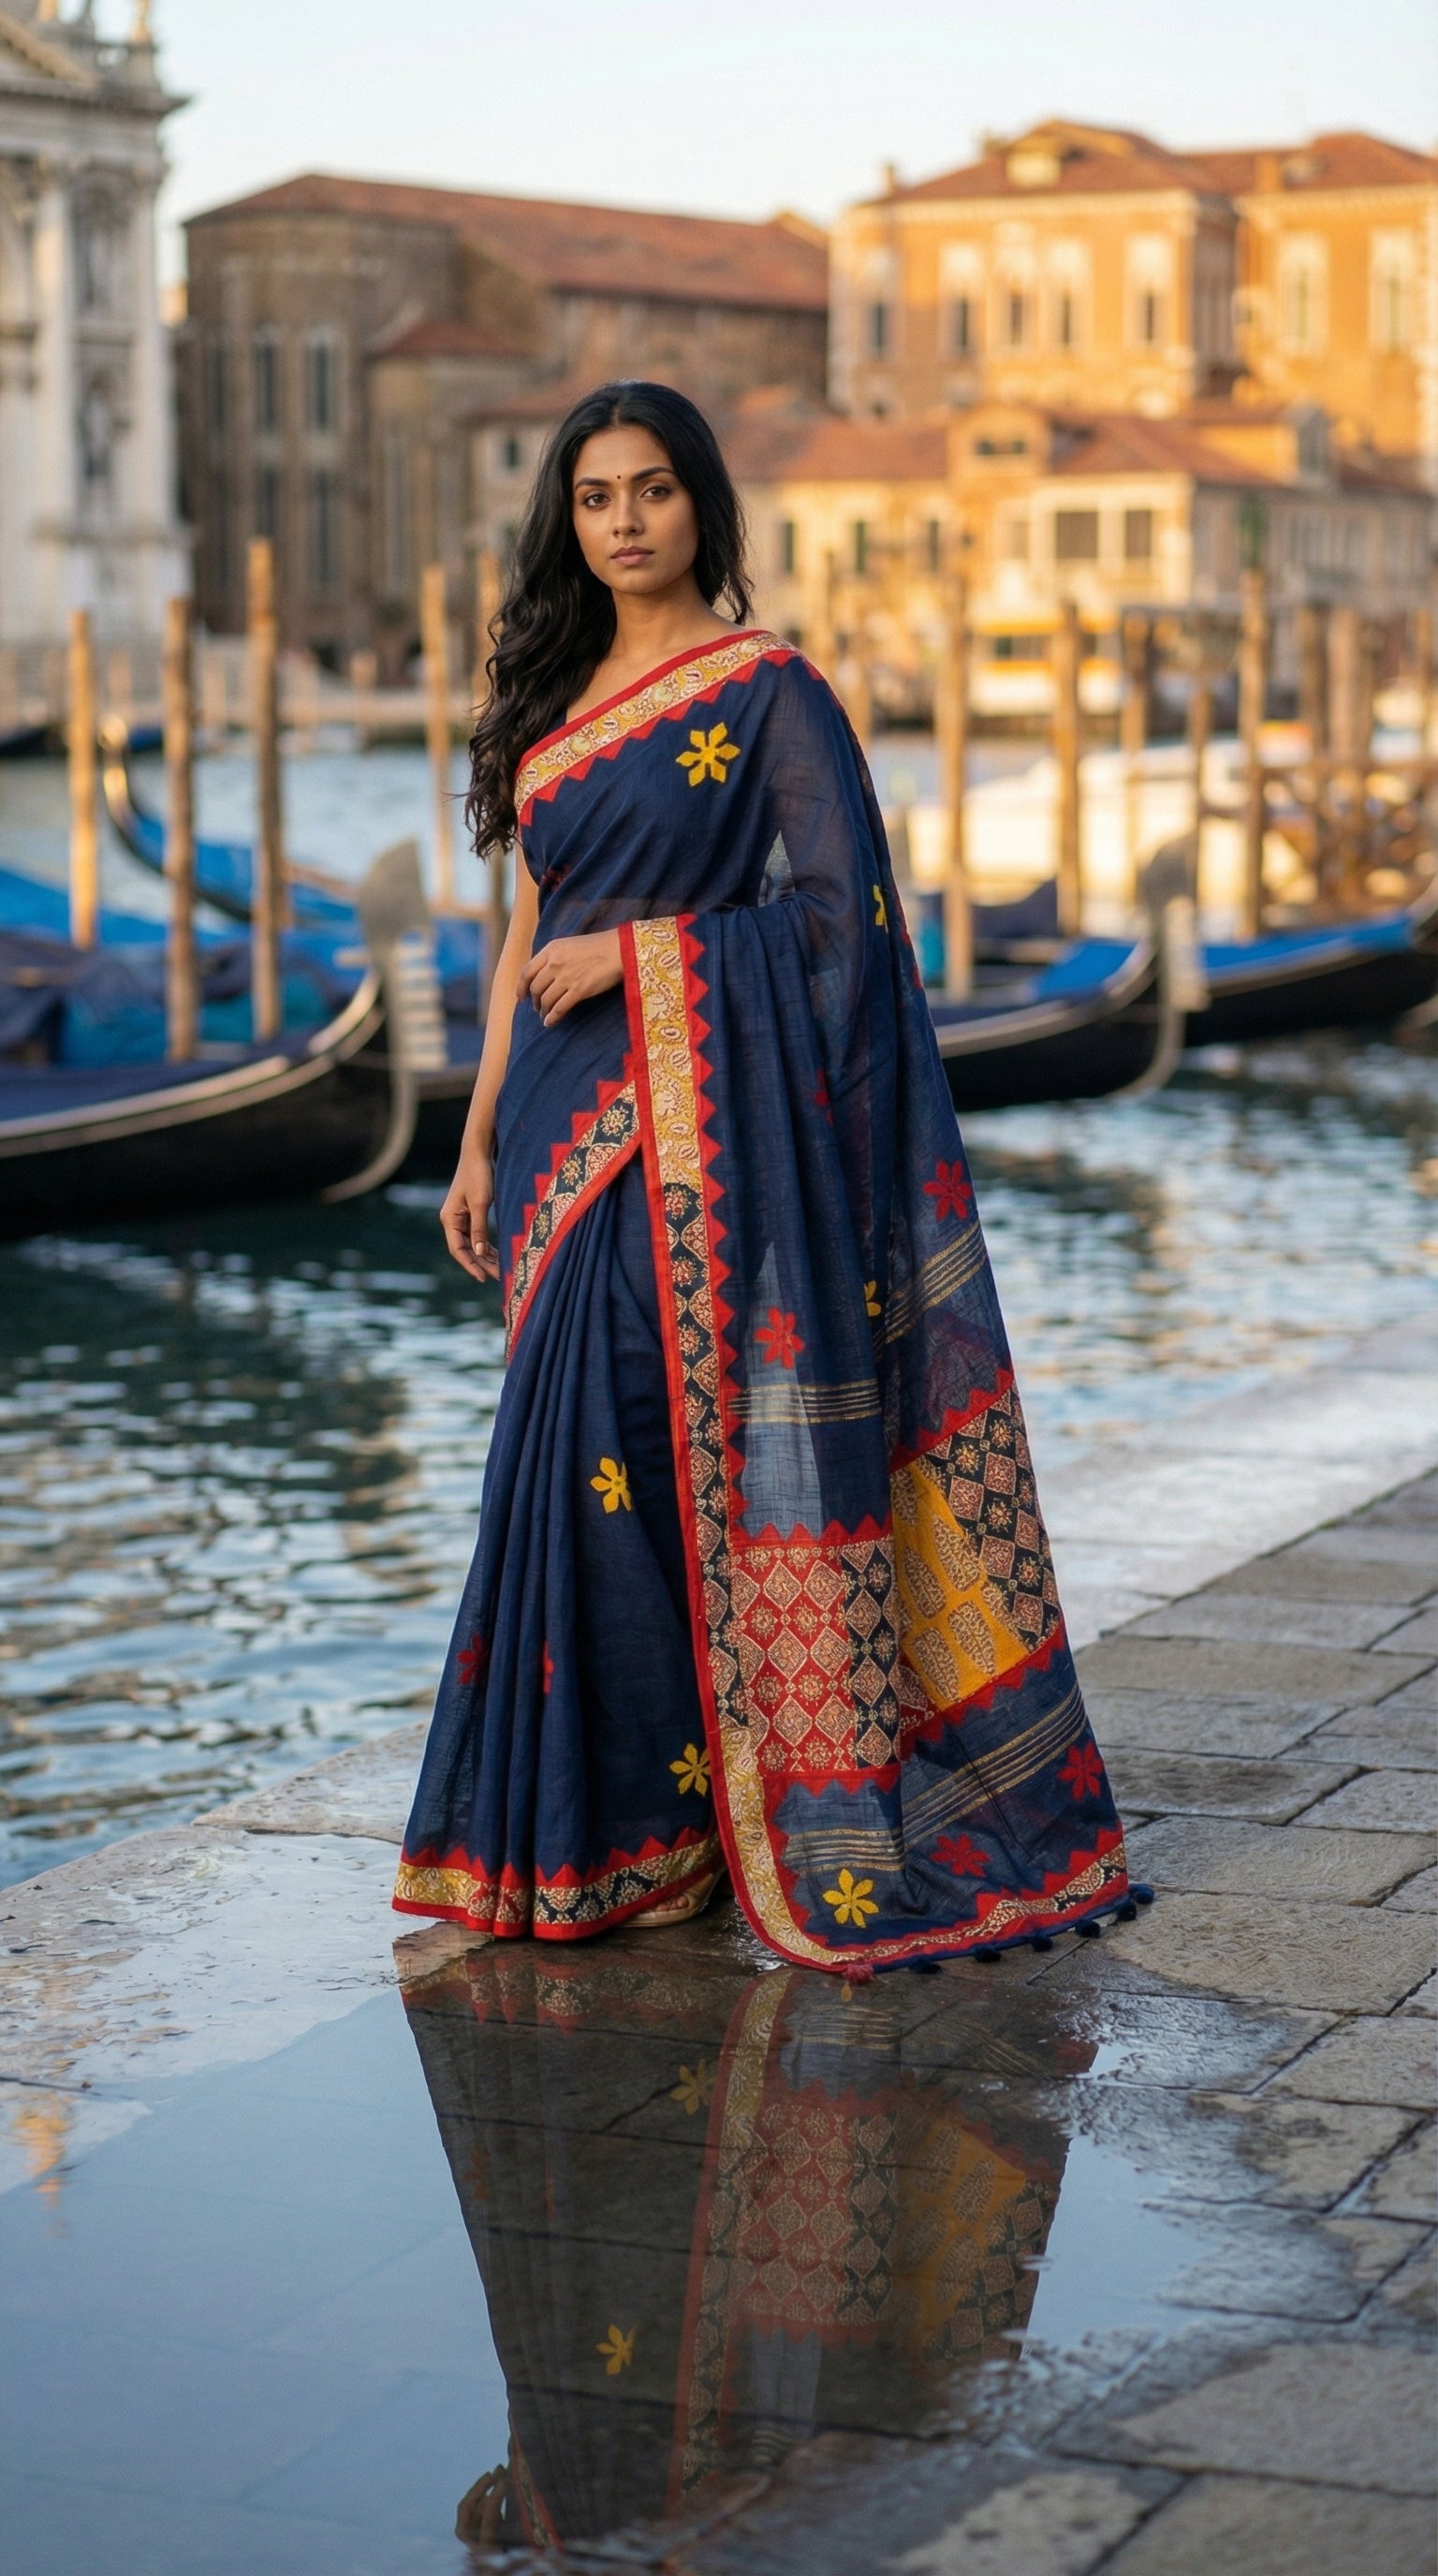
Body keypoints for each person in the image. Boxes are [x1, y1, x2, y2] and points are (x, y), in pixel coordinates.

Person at [393, 380, 1129, 1970]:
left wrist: (645, 959)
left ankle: (684, 1825)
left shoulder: (769, 688)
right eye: (596, 499)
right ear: (566, 522)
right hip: (554, 1140)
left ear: (701, 505)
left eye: (652, 490)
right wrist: (471, 1130)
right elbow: (530, 926)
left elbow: (842, 922)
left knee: (647, 1449)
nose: (625, 522)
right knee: (562, 1461)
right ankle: (600, 1835)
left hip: (694, 1128)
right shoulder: (546, 699)